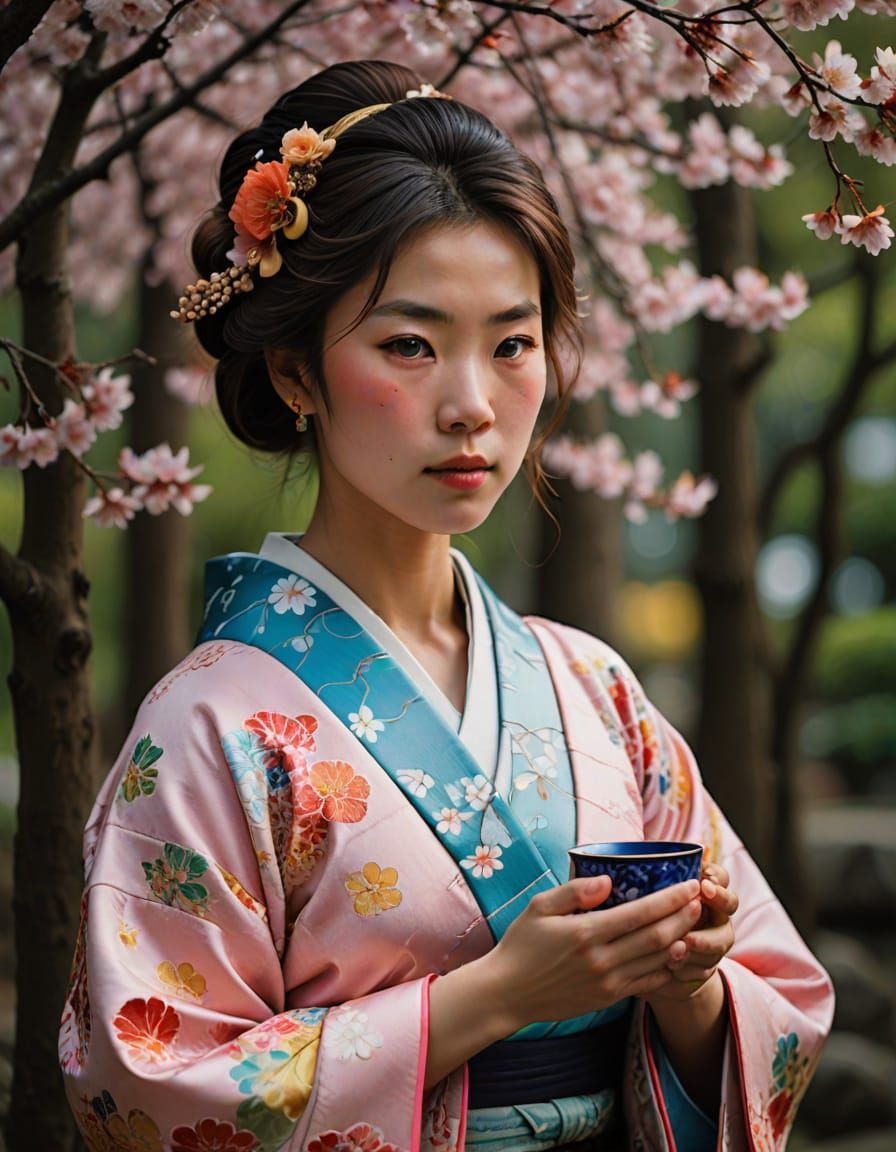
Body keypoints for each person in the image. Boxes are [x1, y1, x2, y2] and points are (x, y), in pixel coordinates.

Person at [59, 59, 833, 1152]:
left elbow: (777, 1006)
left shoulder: (592, 689)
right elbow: (151, 1091)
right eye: (409, 345)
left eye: (511, 344)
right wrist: (497, 995)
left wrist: (687, 986)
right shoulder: (207, 727)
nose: (471, 405)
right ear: (293, 371)